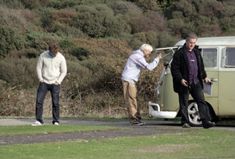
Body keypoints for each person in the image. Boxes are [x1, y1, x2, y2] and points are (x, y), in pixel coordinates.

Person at [171, 33, 215, 128]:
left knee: (201, 101)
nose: (192, 44)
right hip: (184, 83)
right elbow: (174, 69)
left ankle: (206, 121)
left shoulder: (197, 52)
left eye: (194, 43)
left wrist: (204, 77)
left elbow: (201, 67)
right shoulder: (179, 53)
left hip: (196, 82)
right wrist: (180, 79)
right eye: (190, 42)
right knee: (184, 103)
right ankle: (185, 122)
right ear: (186, 42)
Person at [121, 44, 162, 126]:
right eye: (149, 52)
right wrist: (157, 59)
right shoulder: (138, 57)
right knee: (132, 100)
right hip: (129, 80)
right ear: (145, 50)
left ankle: (137, 119)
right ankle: (134, 120)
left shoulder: (136, 55)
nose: (149, 54)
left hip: (129, 80)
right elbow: (149, 67)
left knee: (133, 99)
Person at [32, 42, 67, 126]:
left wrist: (58, 81)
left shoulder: (61, 57)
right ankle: (39, 120)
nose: (54, 54)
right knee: (39, 101)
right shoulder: (43, 55)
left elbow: (64, 71)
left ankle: (56, 121)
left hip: (55, 83)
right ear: (49, 51)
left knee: (55, 103)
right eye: (52, 53)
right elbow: (39, 67)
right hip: (44, 82)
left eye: (55, 53)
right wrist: (40, 79)